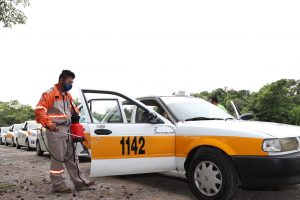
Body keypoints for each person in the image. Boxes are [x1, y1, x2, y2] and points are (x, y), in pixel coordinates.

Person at [35, 70, 95, 193]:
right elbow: (39, 110)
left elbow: (74, 110)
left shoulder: (67, 95)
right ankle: (58, 186)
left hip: (68, 130)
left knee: (73, 158)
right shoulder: (49, 94)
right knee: (58, 160)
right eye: (69, 82)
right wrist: (49, 124)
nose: (71, 84)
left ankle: (80, 183)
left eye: (72, 82)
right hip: (55, 131)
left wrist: (77, 114)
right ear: (61, 80)